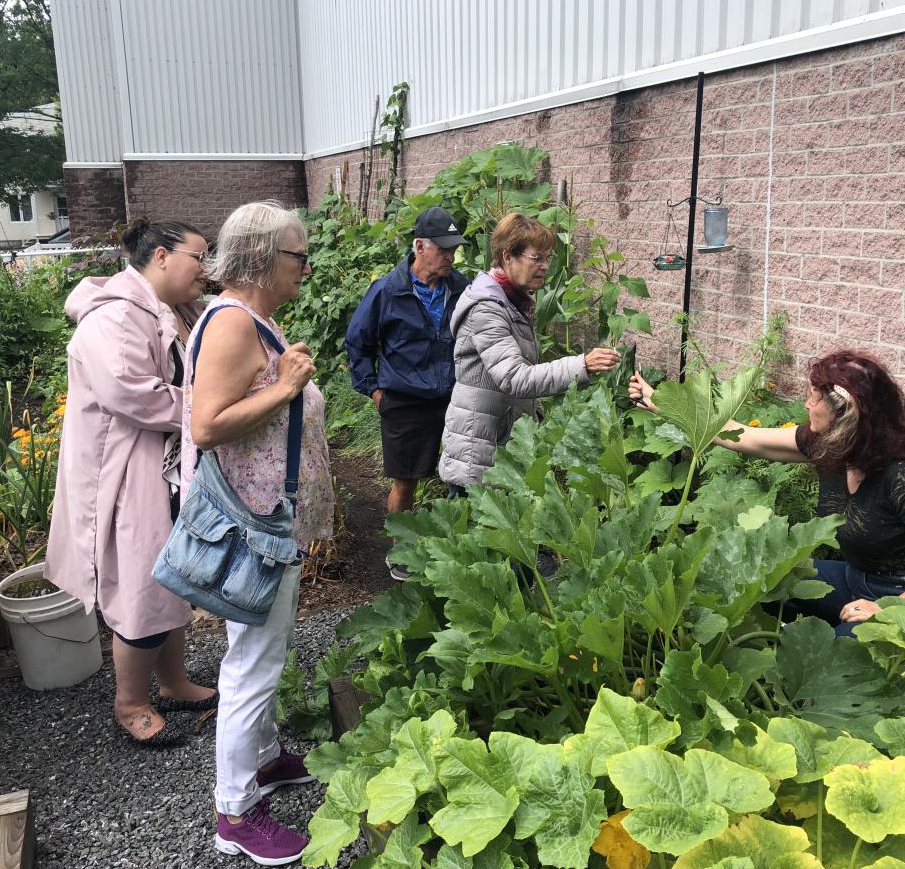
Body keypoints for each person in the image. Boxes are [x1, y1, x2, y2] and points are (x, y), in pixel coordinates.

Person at [629, 350, 905, 636]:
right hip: (852, 577)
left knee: (836, 657)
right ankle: (798, 636)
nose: (806, 406)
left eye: (814, 399)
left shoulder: (900, 477)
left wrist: (889, 609)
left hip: (899, 592)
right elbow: (744, 437)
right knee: (759, 575)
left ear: (845, 414)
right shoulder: (828, 446)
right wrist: (664, 404)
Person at [184, 201, 332, 865]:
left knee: (260, 654)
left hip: (269, 518)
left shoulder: (253, 321)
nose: (306, 266)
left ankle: (264, 759)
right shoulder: (232, 325)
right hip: (254, 523)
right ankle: (236, 813)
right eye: (299, 256)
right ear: (265, 258)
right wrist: (289, 385)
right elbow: (208, 424)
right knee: (252, 665)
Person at [47, 219, 216, 747]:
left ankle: (171, 681)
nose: (205, 270)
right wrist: (211, 410)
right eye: (199, 257)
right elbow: (132, 394)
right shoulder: (114, 317)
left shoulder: (171, 309)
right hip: (125, 472)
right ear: (162, 256)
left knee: (172, 573)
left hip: (161, 462)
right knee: (143, 584)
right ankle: (131, 703)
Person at [440, 212, 621, 491]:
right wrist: (582, 365)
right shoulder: (487, 308)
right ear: (507, 256)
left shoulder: (513, 301)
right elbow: (514, 377)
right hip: (478, 453)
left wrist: (535, 416)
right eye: (537, 258)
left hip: (497, 442)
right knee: (472, 531)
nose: (545, 266)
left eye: (547, 258)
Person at [344, 206, 472, 581]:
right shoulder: (387, 290)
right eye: (443, 249)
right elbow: (357, 343)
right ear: (419, 246)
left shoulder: (462, 289)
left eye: (454, 250)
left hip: (453, 399)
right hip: (404, 403)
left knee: (461, 476)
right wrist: (374, 391)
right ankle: (400, 553)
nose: (450, 256)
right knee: (406, 479)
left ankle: (456, 548)